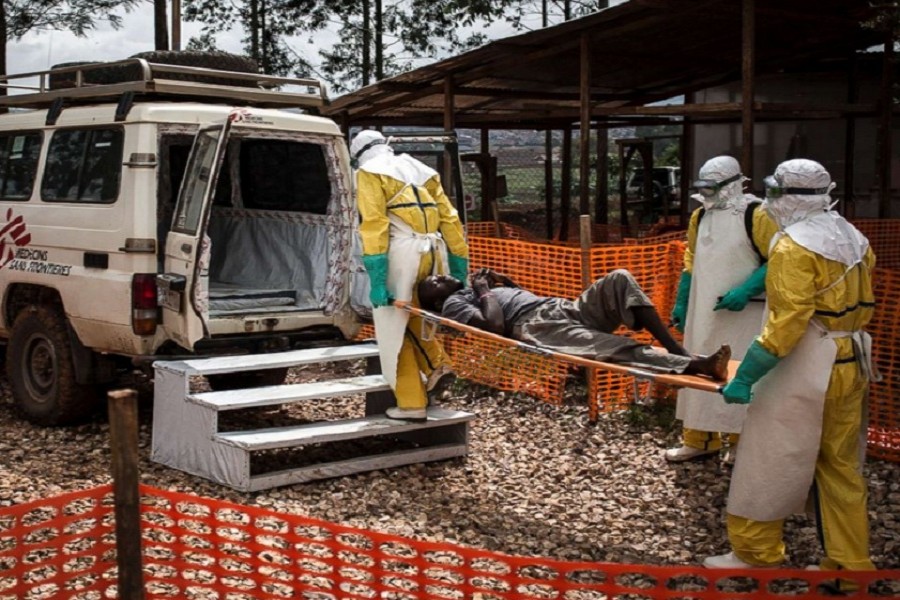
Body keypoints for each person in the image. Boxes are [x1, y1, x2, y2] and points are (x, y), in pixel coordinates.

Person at [704, 159, 878, 584]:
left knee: (768, 456)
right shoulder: (852, 237)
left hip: (803, 363)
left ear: (786, 196)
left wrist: (747, 375)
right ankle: (851, 566)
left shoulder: (793, 246)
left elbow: (788, 324)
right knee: (840, 467)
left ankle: (756, 552)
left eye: (774, 192)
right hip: (851, 359)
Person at [418, 268, 732, 381]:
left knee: (619, 279)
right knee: (612, 348)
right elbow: (495, 326)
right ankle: (695, 366)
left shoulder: (471, 290)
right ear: (435, 301)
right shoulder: (452, 304)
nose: (440, 276)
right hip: (539, 326)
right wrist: (483, 289)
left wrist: (503, 283)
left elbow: (516, 297)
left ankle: (675, 347)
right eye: (433, 281)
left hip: (560, 307)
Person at [665, 156, 779, 463]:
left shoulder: (757, 214)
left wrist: (747, 289)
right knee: (699, 367)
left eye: (713, 187)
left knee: (741, 370)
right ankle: (700, 439)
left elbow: (779, 257)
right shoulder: (700, 216)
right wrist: (682, 299)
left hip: (745, 315)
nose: (708, 194)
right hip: (704, 313)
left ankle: (742, 443)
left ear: (732, 184)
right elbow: (692, 258)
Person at [351, 129, 469, 422]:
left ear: (358, 155)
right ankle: (437, 365)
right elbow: (451, 220)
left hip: (401, 255)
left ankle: (411, 402)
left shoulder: (369, 172)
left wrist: (377, 280)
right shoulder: (423, 169)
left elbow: (375, 225)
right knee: (418, 317)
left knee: (394, 331)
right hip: (434, 252)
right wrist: (458, 269)